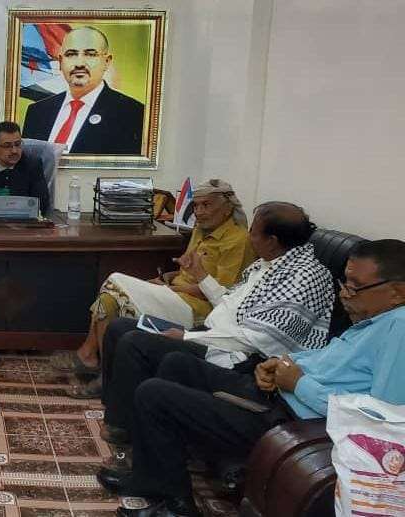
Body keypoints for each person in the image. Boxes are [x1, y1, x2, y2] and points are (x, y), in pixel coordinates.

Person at [99, 239, 405, 517]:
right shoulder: (374, 321)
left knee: (155, 394)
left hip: (292, 420)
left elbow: (381, 420)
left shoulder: (399, 329)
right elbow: (324, 361)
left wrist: (299, 383)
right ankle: (154, 474)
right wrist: (279, 364)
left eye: (355, 287)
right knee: (178, 364)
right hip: (280, 394)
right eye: (345, 283)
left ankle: (176, 506)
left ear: (397, 292)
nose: (344, 294)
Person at [99, 202, 334, 446]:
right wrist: (201, 275)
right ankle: (117, 410)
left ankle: (123, 428)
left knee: (136, 343)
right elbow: (230, 304)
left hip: (237, 355)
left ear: (272, 241)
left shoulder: (306, 276)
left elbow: (257, 339)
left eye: (253, 232)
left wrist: (187, 337)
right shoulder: (267, 264)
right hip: (213, 335)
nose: (249, 237)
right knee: (120, 328)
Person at [52, 180, 256, 399]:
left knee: (114, 280)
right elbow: (187, 270)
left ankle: (89, 356)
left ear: (227, 208)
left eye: (206, 205)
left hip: (198, 309)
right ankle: (103, 372)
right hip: (175, 295)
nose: (199, 212)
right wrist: (166, 278)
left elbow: (221, 294)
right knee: (109, 299)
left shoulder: (238, 240)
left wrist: (170, 287)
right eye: (196, 206)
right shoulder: (201, 230)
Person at [21, 26, 144, 155]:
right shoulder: (37, 112)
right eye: (71, 54)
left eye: (90, 54)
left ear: (107, 62)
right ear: (61, 62)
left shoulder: (133, 114)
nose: (79, 63)